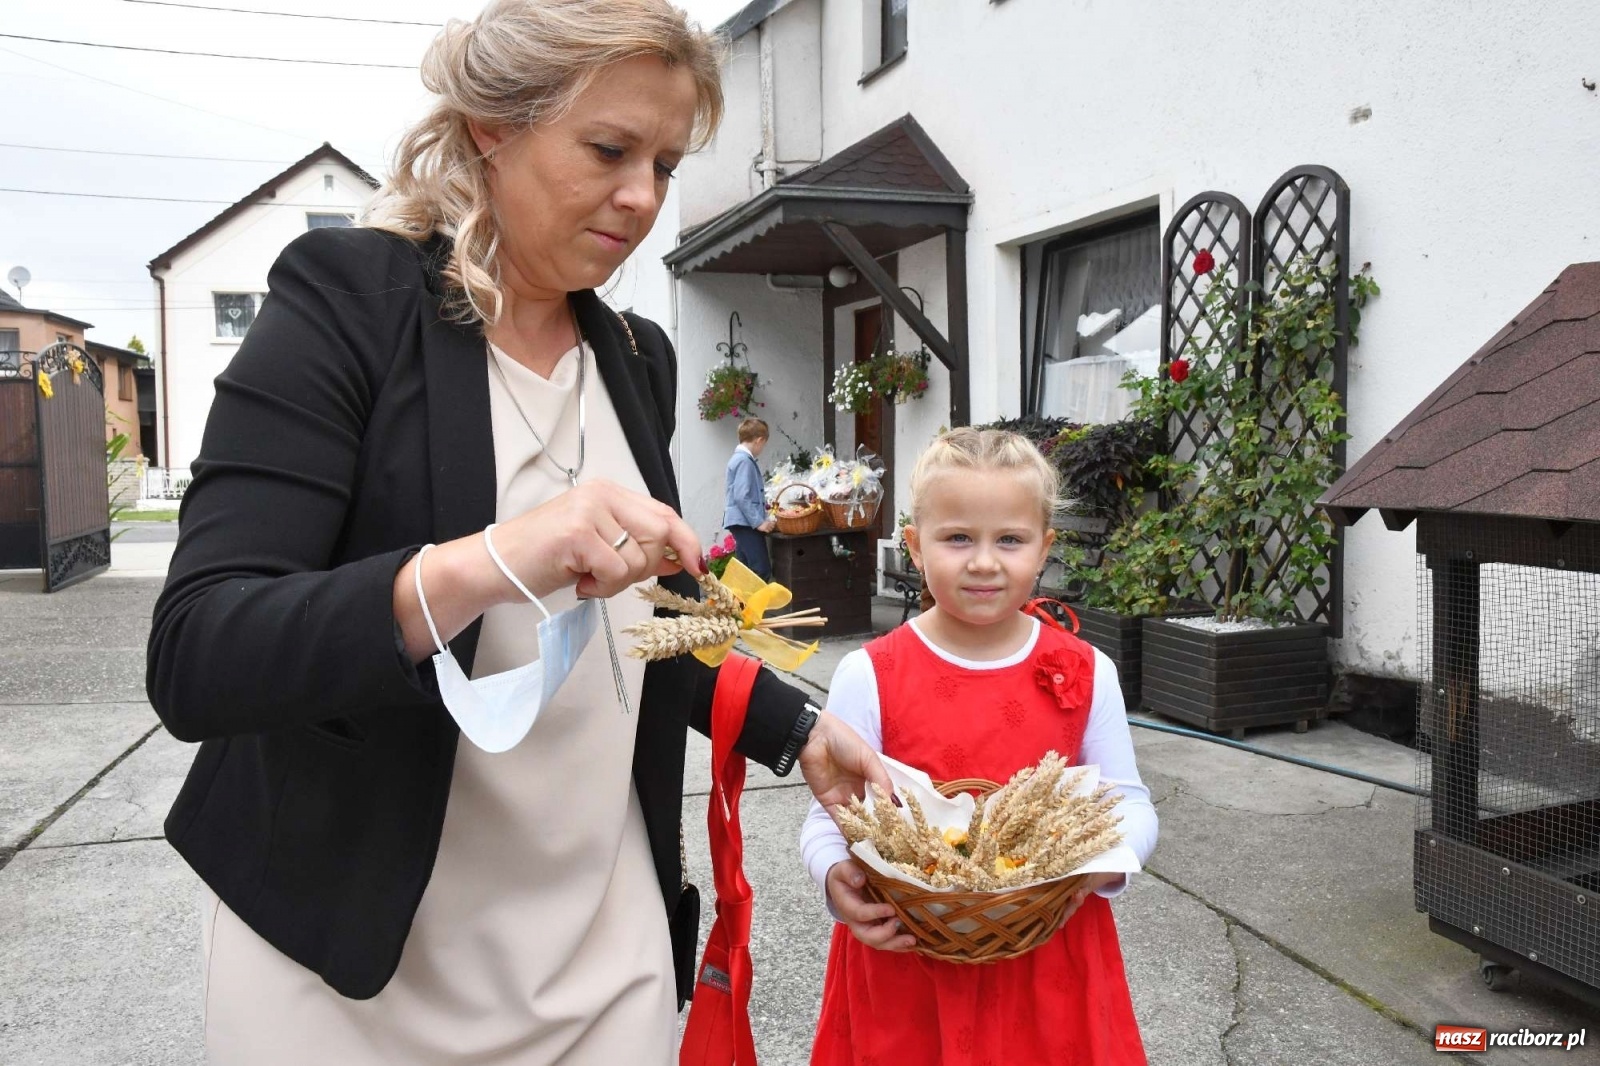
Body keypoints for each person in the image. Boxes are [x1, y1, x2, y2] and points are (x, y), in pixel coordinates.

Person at [145, 3, 889, 1063]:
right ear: (492, 126)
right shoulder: (347, 302)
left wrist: (797, 731)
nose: (643, 198)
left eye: (664, 165)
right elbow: (200, 651)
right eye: (609, 149)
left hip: (601, 954)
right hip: (355, 972)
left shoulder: (635, 356)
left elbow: (647, 615)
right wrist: (489, 562)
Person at [798, 427, 1159, 1065]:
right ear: (915, 546)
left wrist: (1093, 867)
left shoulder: (1085, 670)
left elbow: (1127, 802)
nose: (985, 562)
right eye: (958, 538)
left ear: (1044, 548)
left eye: (1010, 540)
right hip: (910, 958)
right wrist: (835, 876)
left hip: (1047, 960)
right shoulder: (870, 674)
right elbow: (833, 815)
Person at [723, 416, 775, 579]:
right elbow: (741, 496)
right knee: (761, 570)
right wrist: (759, 522)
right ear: (759, 440)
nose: (762, 449)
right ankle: (754, 598)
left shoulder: (739, 459)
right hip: (745, 523)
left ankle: (738, 597)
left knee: (745, 571)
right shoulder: (744, 461)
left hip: (741, 522)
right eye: (764, 444)